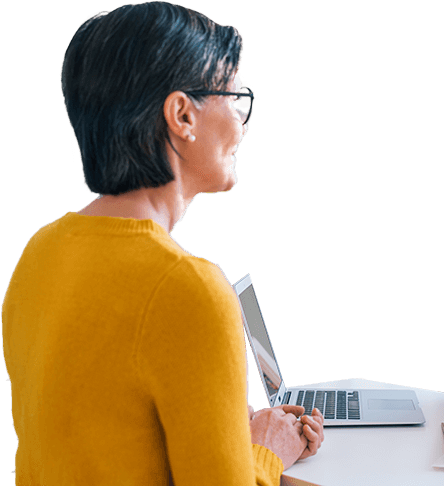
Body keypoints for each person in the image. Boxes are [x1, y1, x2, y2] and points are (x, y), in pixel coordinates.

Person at [2, 2, 322, 484]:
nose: (241, 124)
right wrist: (265, 450)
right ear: (182, 115)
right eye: (235, 97)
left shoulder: (39, 253)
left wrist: (223, 427)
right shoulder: (188, 288)